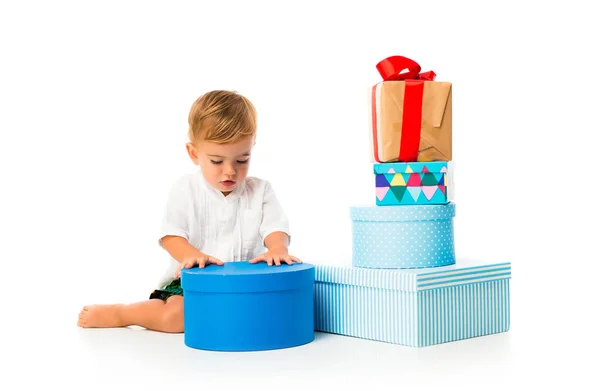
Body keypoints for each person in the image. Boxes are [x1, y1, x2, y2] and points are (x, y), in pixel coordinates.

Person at [77, 90, 301, 333]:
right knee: (177, 318)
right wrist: (190, 255)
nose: (230, 171)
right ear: (194, 153)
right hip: (193, 284)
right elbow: (171, 235)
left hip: (242, 285)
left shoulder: (260, 190)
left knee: (270, 314)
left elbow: (275, 227)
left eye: (242, 160)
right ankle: (122, 313)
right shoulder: (187, 189)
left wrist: (277, 249)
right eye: (217, 161)